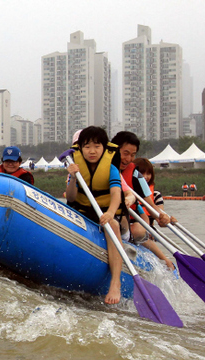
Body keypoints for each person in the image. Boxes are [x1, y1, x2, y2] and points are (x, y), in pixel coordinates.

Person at [65, 126, 124, 304]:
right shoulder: (74, 167)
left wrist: (111, 213)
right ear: (80, 148)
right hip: (82, 212)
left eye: (97, 146)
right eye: (87, 146)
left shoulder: (111, 168)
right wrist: (73, 178)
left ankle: (115, 283)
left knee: (112, 226)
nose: (92, 151)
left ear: (104, 148)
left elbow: (116, 195)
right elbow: (71, 197)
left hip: (105, 213)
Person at [110, 131, 170, 241]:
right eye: (125, 153)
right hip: (106, 217)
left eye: (132, 155)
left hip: (129, 221)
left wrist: (161, 217)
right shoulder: (103, 167)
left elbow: (150, 205)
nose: (128, 159)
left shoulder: (136, 176)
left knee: (138, 229)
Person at [133, 158, 175, 270]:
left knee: (141, 231)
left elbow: (160, 219)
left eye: (148, 173)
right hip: (131, 225)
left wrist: (167, 219)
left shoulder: (155, 195)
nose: (145, 177)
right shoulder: (129, 192)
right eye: (142, 173)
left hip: (148, 230)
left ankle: (165, 260)